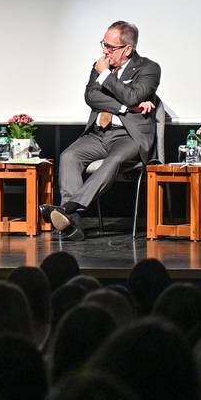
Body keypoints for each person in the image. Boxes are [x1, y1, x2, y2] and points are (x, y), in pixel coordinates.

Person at [42, 20, 160, 241]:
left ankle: (68, 208)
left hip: (130, 136)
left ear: (128, 49)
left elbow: (133, 95)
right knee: (68, 156)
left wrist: (106, 76)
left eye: (110, 47)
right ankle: (72, 225)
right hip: (98, 134)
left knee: (113, 160)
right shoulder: (100, 65)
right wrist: (126, 107)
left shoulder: (149, 68)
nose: (105, 51)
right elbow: (91, 96)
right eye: (103, 44)